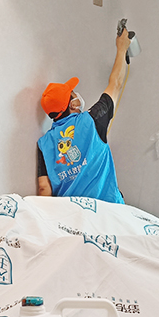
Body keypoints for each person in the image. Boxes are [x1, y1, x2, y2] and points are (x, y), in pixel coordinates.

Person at [36, 30, 133, 204]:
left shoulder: (44, 143)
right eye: (74, 94)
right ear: (72, 105)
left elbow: (44, 189)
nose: (77, 96)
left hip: (72, 213)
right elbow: (116, 83)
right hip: (107, 208)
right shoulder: (92, 120)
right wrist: (121, 48)